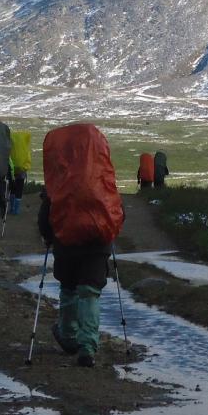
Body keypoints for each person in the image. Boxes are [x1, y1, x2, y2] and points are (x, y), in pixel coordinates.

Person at [38, 122, 125, 369]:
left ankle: (68, 337)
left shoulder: (60, 180)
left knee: (68, 290)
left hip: (66, 243)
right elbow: (117, 211)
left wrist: (48, 235)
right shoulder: (101, 177)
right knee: (90, 293)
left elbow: (47, 215)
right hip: (98, 244)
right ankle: (87, 347)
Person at [9, 130, 32, 215]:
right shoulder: (25, 148)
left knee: (12, 189)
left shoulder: (11, 146)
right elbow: (28, 160)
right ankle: (16, 210)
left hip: (12, 170)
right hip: (22, 171)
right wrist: (26, 168)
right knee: (19, 189)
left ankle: (11, 208)